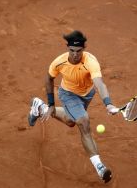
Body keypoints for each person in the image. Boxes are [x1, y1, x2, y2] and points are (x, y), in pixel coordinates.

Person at [28, 30, 119, 183]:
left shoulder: (91, 61)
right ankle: (99, 167)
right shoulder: (59, 62)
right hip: (68, 94)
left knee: (71, 121)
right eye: (71, 50)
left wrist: (108, 104)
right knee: (83, 122)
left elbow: (99, 84)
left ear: (84, 49)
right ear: (67, 48)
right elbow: (48, 79)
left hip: (87, 94)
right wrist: (52, 102)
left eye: (78, 51)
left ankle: (40, 107)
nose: (75, 54)